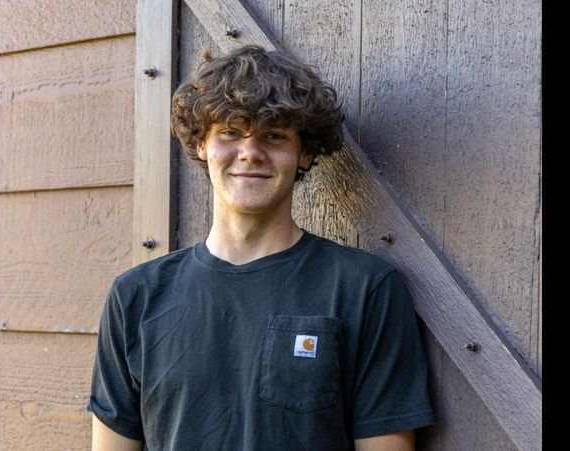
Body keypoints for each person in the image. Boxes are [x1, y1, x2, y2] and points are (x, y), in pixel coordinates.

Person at [87, 44, 436, 451]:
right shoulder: (136, 297)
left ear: (304, 152)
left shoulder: (365, 289)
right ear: (202, 144)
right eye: (230, 133)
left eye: (273, 136)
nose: (250, 153)